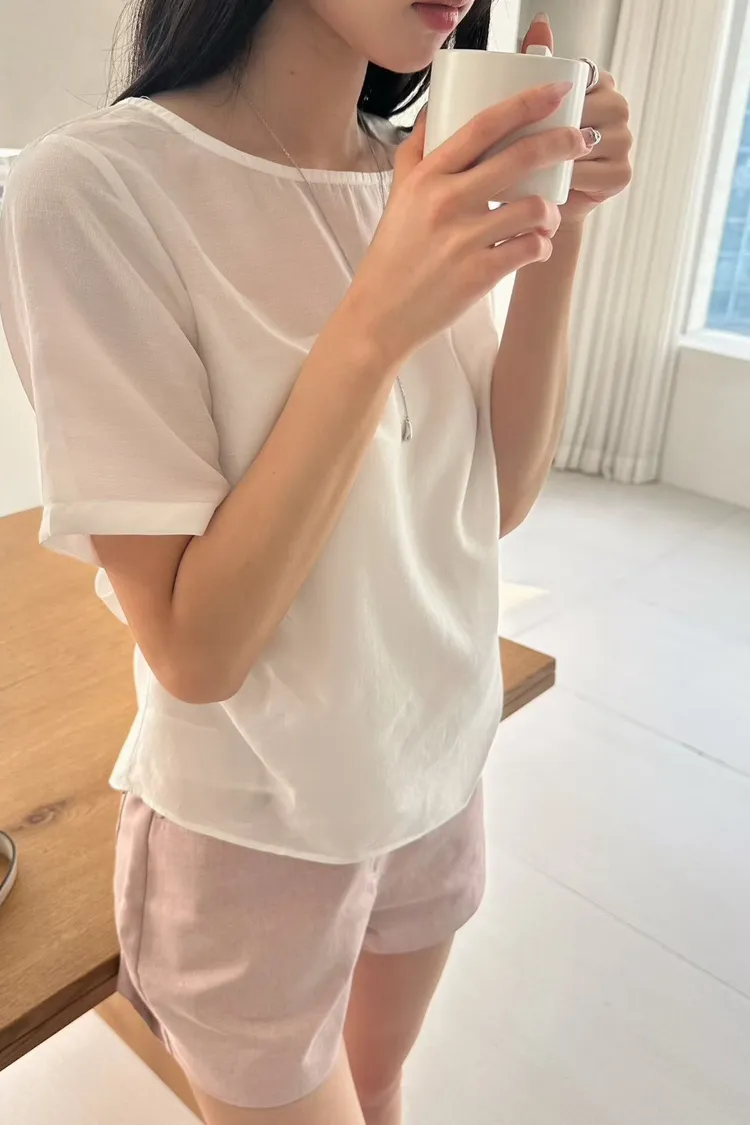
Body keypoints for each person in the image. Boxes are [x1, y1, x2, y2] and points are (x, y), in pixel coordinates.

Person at [0, 2, 632, 1122]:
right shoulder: (95, 191)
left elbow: (495, 501)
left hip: (437, 764)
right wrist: (378, 316)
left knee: (380, 1086)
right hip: (255, 827)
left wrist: (560, 222)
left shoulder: (412, 169)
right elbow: (198, 651)